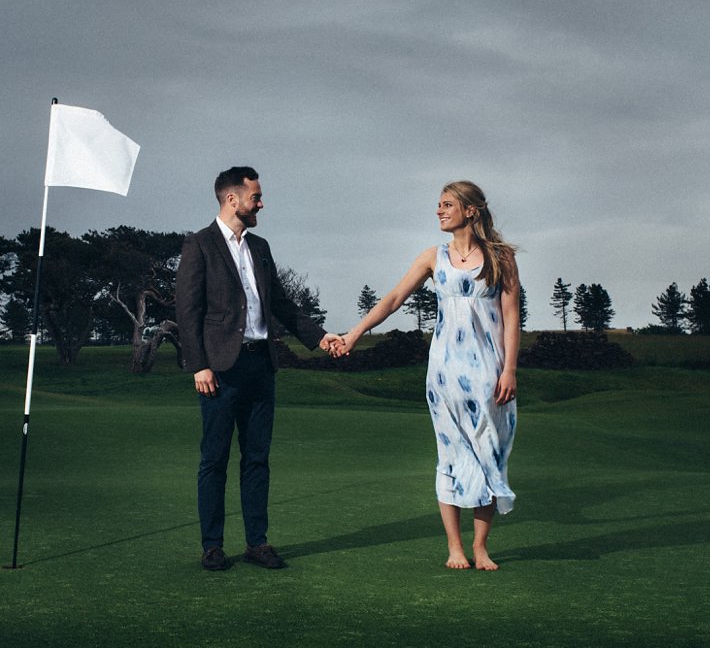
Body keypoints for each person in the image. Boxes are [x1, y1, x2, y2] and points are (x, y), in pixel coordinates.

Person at [332, 181, 519, 571]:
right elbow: (394, 299)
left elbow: (511, 314)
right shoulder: (433, 257)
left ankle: (480, 547)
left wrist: (510, 369)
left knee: (488, 452)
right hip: (444, 375)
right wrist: (353, 334)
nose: (439, 211)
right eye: (438, 205)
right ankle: (455, 547)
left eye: (447, 204)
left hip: (488, 372)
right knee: (450, 455)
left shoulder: (501, 257)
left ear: (471, 211)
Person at [176, 166, 341, 572]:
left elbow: (282, 304)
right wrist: (199, 365)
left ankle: (257, 542)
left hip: (261, 367)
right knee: (214, 460)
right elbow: (187, 310)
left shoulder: (261, 247)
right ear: (233, 199)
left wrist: (321, 337)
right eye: (256, 197)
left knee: (257, 459)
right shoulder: (199, 245)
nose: (261, 204)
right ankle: (212, 546)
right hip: (219, 370)